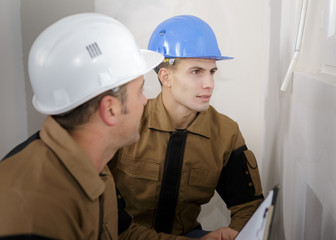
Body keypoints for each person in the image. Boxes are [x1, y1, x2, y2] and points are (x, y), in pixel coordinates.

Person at [0, 13, 238, 240]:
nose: (146, 101)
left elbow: (122, 232)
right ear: (110, 109)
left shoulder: (95, 164)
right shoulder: (33, 207)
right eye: (140, 91)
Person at [108, 15, 264, 238]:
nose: (209, 84)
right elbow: (97, 206)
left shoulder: (225, 134)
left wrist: (234, 235)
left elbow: (248, 206)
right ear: (165, 77)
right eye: (196, 71)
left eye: (212, 72)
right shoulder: (129, 121)